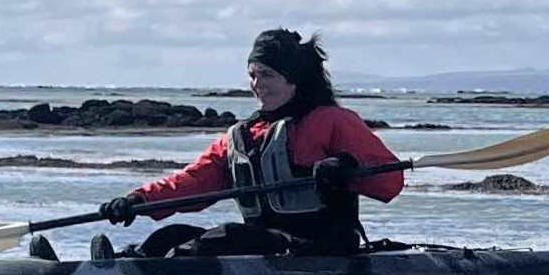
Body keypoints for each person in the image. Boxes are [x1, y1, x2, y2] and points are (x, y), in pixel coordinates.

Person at [97, 29, 404, 256]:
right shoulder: (241, 136)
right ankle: (125, 262)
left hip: (321, 248)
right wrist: (138, 201)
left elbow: (390, 181)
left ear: (293, 79)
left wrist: (347, 167)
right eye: (253, 75)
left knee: (226, 236)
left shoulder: (332, 121)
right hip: (264, 243)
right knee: (170, 236)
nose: (258, 85)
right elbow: (192, 183)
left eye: (267, 75)